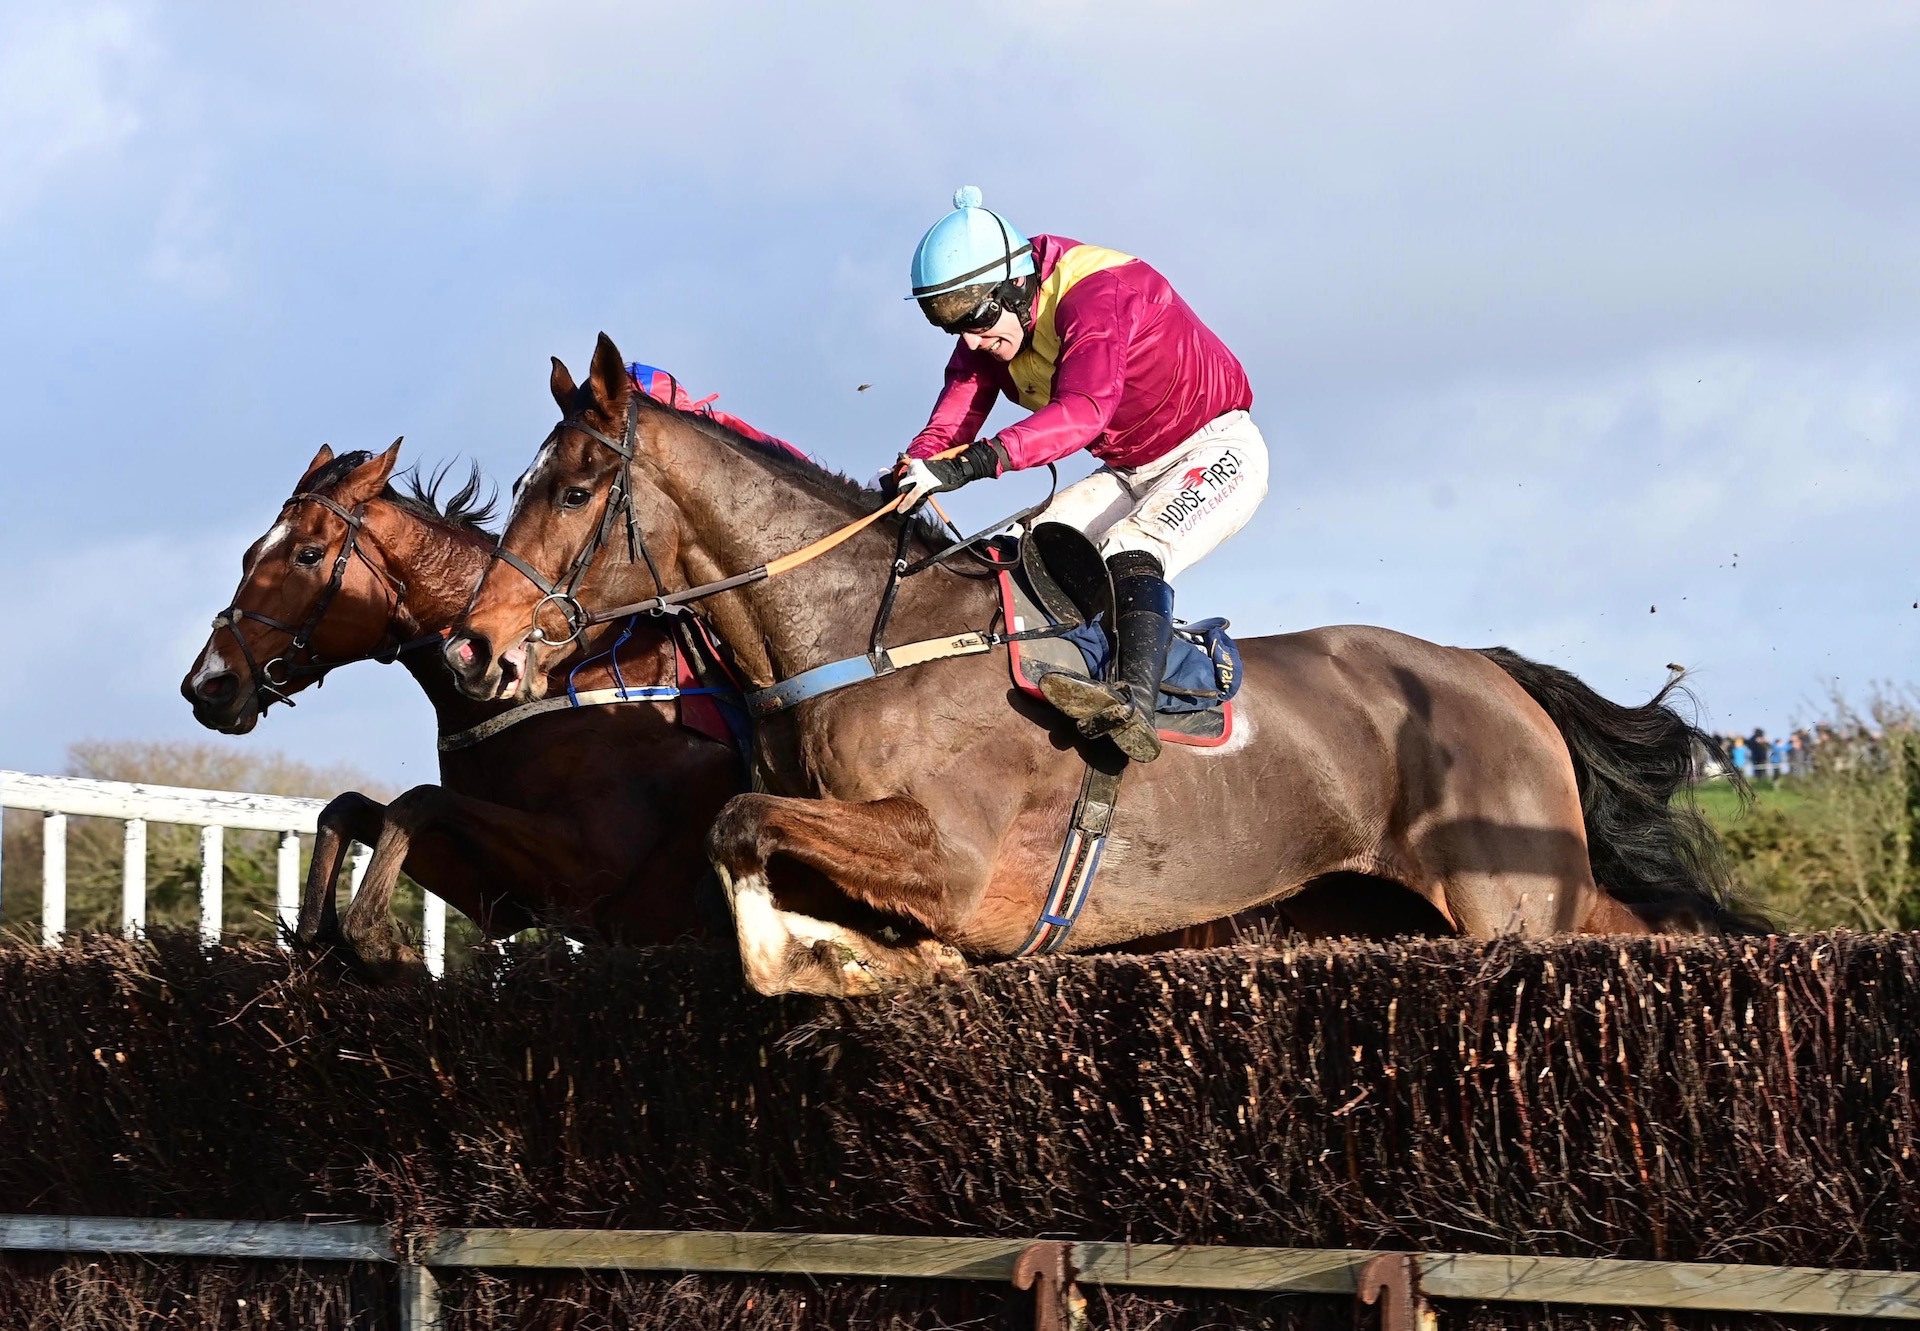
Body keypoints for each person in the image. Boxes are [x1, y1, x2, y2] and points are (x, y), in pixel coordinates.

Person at [887, 186, 1270, 763]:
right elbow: (958, 406)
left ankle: (1133, 706)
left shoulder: (1096, 294)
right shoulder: (995, 323)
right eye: (953, 326)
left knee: (1130, 547)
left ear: (1019, 285)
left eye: (979, 317)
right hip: (1130, 469)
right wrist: (917, 466)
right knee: (1017, 551)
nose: (971, 339)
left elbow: (1085, 413)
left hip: (1216, 448)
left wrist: (974, 464)